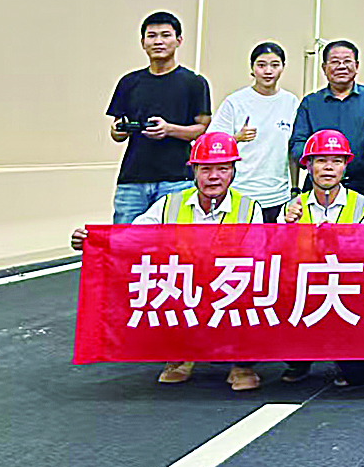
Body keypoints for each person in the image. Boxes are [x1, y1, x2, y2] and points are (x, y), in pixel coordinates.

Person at [71, 131, 260, 391]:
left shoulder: (249, 208)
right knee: (156, 285)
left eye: (222, 169)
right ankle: (179, 356)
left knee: (253, 291)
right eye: (205, 169)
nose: (213, 176)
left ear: (234, 171)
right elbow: (133, 237)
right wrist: (94, 241)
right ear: (193, 170)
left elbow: (258, 258)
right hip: (184, 285)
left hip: (227, 286)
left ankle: (241, 364)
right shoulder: (169, 205)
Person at [279, 128, 364, 385]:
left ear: (345, 167)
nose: (328, 168)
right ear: (308, 166)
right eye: (321, 160)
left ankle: (345, 354)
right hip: (305, 286)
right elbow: (281, 258)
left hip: (346, 285)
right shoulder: (291, 208)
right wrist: (288, 228)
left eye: (336, 161)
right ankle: (299, 360)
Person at [105, 11, 211, 223]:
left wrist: (169, 129)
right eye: (152, 36)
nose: (158, 41)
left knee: (174, 238)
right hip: (133, 177)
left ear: (178, 40)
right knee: (125, 236)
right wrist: (119, 130)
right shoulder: (129, 82)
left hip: (177, 177)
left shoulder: (194, 82)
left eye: (165, 35)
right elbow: (116, 132)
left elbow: (202, 129)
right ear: (143, 42)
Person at [207, 41, 298, 222]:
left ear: (283, 67)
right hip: (240, 192)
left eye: (274, 65)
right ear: (252, 68)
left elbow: (292, 151)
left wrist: (294, 188)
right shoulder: (235, 102)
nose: (268, 71)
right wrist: (236, 138)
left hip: (278, 195)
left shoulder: (291, 102)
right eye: (261, 65)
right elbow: (211, 144)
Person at [289, 40, 364, 199]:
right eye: (335, 62)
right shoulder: (311, 103)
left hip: (363, 185)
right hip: (318, 186)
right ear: (324, 68)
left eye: (347, 61)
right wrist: (320, 163)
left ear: (357, 66)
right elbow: (297, 144)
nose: (341, 66)